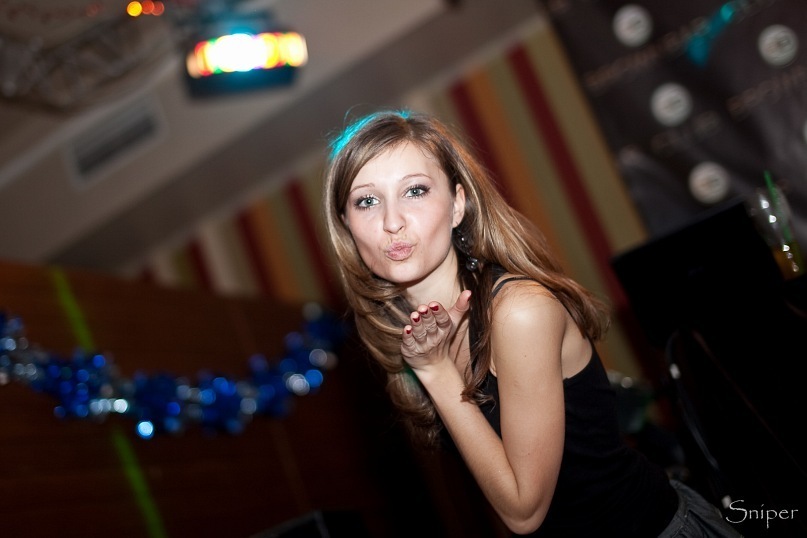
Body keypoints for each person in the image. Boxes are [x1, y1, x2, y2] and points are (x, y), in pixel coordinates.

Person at [322, 109, 742, 537]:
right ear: (347, 226)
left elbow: (524, 512)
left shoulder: (518, 311)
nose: (392, 222)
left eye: (415, 191)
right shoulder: (417, 334)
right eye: (367, 201)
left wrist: (435, 372)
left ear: (457, 205)